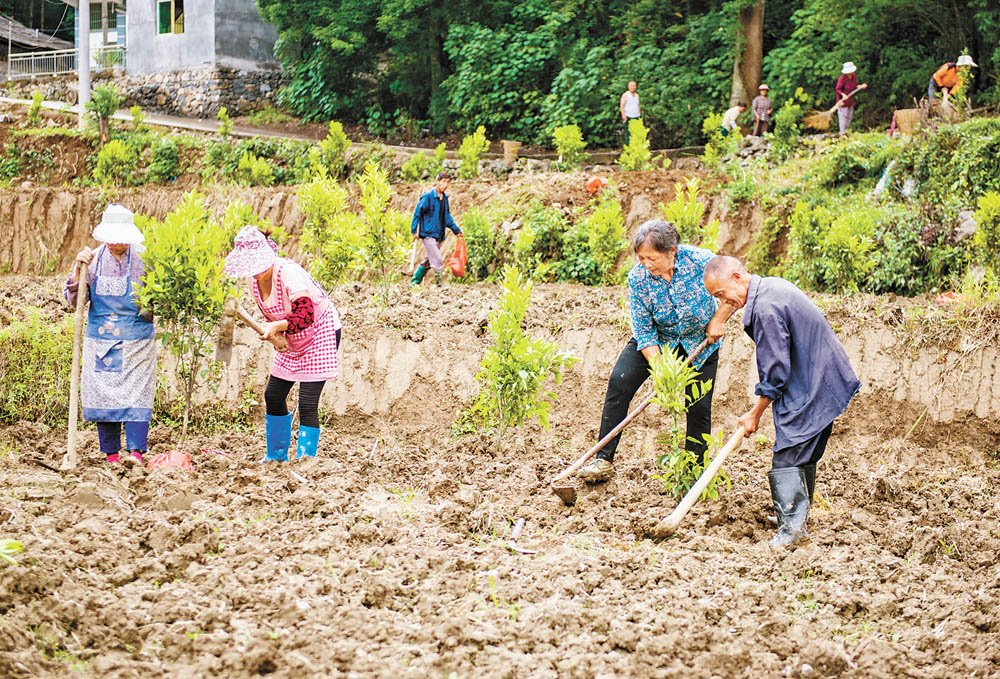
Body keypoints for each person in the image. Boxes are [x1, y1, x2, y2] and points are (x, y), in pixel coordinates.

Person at [702, 256, 861, 548]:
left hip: (813, 383)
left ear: (737, 277)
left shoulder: (765, 308)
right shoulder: (770, 288)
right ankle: (794, 516)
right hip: (819, 376)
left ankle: (792, 531)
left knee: (788, 454)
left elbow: (775, 369)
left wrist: (755, 413)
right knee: (803, 452)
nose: (724, 301)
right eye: (717, 298)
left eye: (722, 294)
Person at [577, 220, 734, 483]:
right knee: (620, 381)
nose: (647, 264)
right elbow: (643, 329)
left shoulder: (702, 261)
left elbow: (734, 288)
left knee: (697, 406)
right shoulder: (638, 278)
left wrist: (719, 319)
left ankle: (694, 472)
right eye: (641, 258)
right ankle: (603, 460)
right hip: (660, 341)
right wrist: (661, 368)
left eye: (652, 258)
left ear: (671, 251)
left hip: (700, 343)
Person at [224, 226, 343, 462]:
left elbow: (305, 314)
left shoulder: (289, 274)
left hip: (320, 331)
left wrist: (276, 328)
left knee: (307, 402)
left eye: (258, 265)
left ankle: (306, 461)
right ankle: (276, 456)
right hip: (292, 337)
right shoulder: (254, 282)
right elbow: (275, 316)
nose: (256, 271)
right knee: (273, 395)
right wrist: (276, 334)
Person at [63, 205, 157, 464]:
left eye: (122, 237)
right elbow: (74, 302)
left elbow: (161, 299)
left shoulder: (147, 259)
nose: (118, 243)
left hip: (138, 340)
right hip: (102, 341)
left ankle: (136, 453)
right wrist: (78, 271)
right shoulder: (91, 260)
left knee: (138, 394)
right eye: (112, 237)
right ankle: (112, 455)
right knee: (104, 396)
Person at [410, 171, 462, 286]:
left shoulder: (444, 198)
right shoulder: (428, 197)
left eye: (448, 183)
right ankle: (440, 284)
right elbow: (417, 213)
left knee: (429, 259)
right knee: (437, 258)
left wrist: (456, 230)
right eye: (443, 182)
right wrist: (414, 230)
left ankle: (414, 282)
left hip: (438, 234)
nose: (445, 185)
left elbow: (447, 217)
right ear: (437, 181)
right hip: (427, 233)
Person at [834, 62, 868, 134]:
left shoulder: (854, 76)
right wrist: (843, 95)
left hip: (850, 101)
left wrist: (860, 86)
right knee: (844, 117)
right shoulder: (842, 78)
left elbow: (854, 85)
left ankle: (847, 132)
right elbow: (837, 89)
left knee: (849, 117)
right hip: (842, 102)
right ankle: (842, 133)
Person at [620, 81, 642, 145]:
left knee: (637, 133)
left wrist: (640, 115)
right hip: (628, 116)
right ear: (628, 87)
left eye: (634, 86)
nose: (633, 87)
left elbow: (638, 105)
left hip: (636, 116)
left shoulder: (637, 95)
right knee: (628, 133)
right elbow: (622, 105)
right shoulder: (626, 95)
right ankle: (628, 147)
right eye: (631, 86)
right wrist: (623, 115)